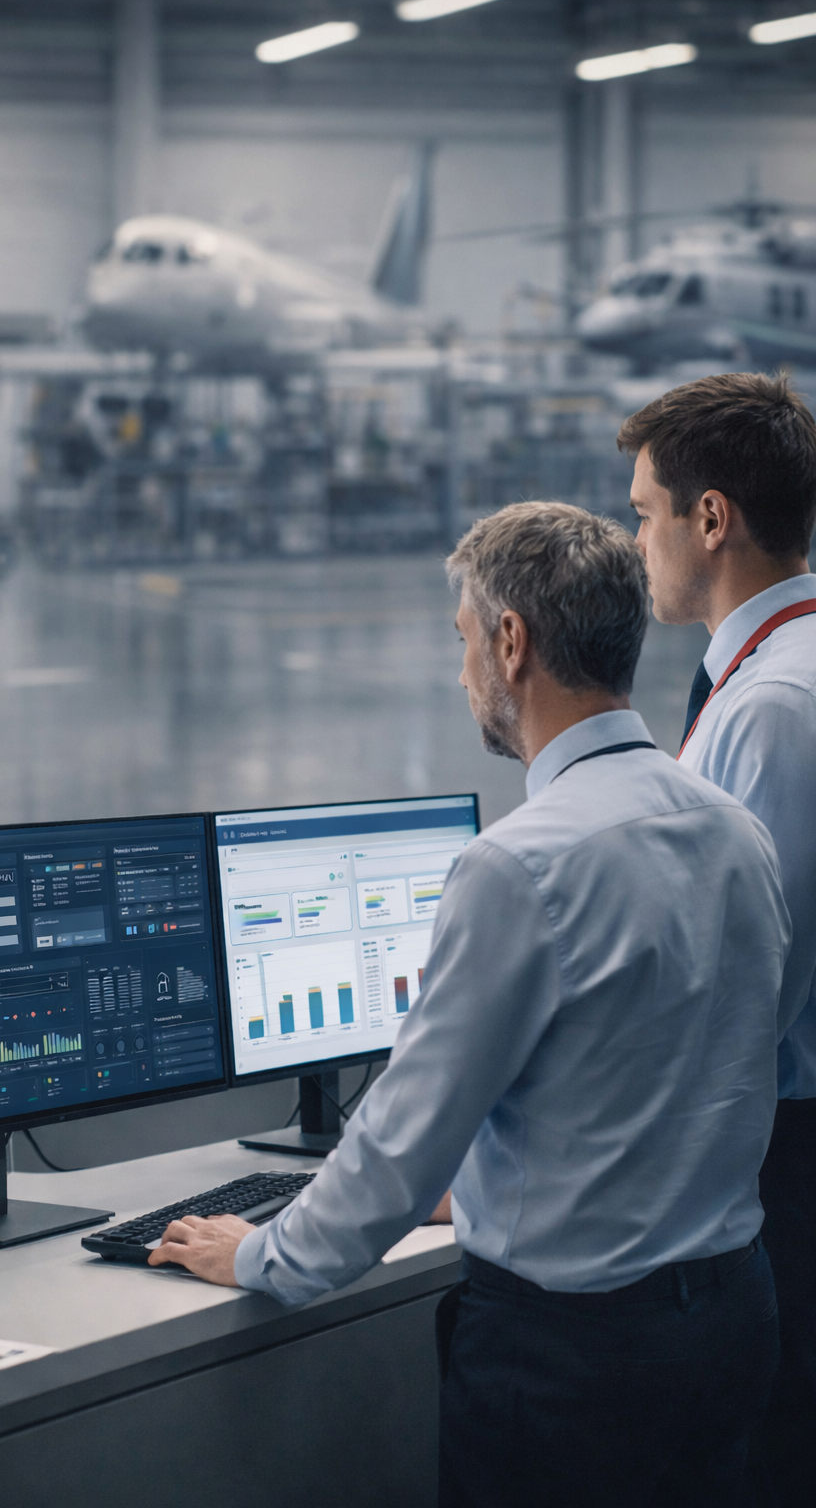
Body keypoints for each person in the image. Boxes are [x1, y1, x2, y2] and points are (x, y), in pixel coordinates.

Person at [151, 502, 792, 1507]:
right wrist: (494, 1181)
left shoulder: (519, 867)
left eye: (463, 640)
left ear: (511, 642)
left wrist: (264, 1255)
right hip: (731, 1318)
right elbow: (682, 1077)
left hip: (575, 1364)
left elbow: (398, 1149)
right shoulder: (733, 830)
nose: (462, 676)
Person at [620, 372, 816, 1508]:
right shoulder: (774, 675)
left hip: (784, 1163)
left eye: (645, 513)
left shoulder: (773, 710)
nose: (636, 543)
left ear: (710, 518)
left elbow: (747, 999)